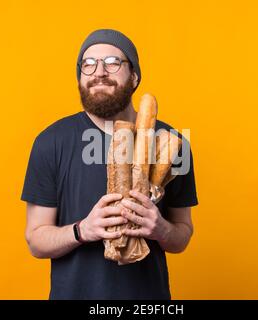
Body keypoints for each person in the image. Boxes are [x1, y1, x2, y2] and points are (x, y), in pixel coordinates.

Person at [21, 29, 198, 299]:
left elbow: (182, 234)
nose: (99, 72)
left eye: (113, 63)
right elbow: (36, 240)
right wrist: (83, 230)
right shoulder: (50, 142)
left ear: (135, 76)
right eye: (88, 65)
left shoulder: (172, 144)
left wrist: (160, 229)